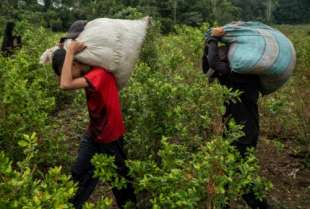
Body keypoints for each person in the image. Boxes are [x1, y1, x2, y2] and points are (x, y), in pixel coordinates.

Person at [51, 22, 136, 209]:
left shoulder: (99, 75)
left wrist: (71, 51)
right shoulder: (91, 71)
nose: (64, 75)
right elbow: (66, 76)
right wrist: (64, 48)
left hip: (110, 136)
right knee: (79, 172)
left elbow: (65, 84)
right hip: (95, 132)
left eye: (65, 69)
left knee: (119, 181)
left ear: (74, 63)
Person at [202, 30, 273, 209]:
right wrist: (210, 44)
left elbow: (213, 64)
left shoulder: (236, 74)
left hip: (242, 132)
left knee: (240, 175)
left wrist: (211, 39)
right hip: (240, 129)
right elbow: (208, 66)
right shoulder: (245, 74)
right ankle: (223, 204)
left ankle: (260, 205)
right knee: (230, 170)